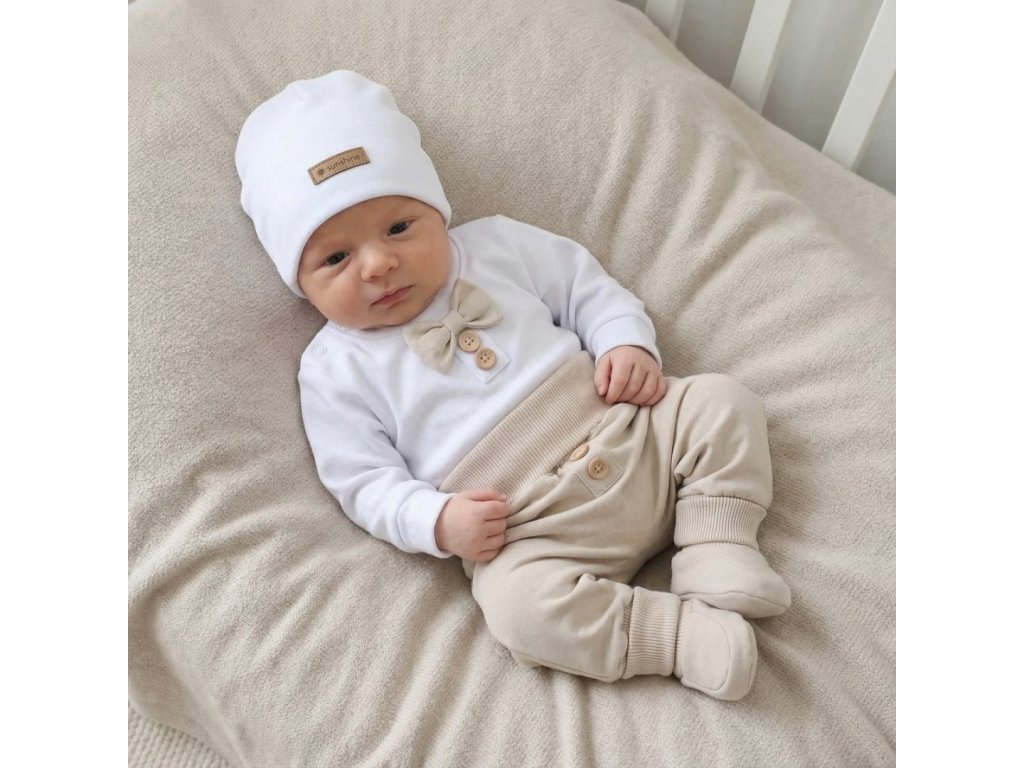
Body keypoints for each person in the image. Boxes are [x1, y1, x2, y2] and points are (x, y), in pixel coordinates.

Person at [235, 70, 790, 700]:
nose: (379, 263)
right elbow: (361, 481)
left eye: (398, 228)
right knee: (517, 612)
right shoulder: (332, 371)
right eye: (335, 258)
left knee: (721, 402)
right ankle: (674, 637)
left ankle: (717, 544)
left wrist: (624, 343)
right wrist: (436, 520)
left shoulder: (497, 244)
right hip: (528, 529)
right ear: (300, 284)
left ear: (435, 209)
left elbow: (586, 288)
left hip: (631, 432)